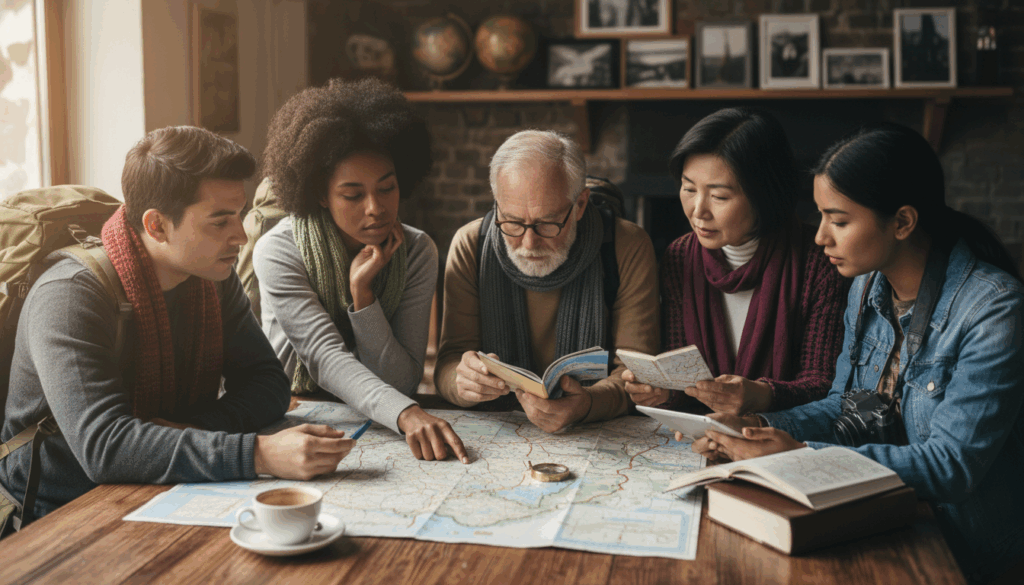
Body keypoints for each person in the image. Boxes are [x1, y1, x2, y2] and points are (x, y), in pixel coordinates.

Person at [692, 124, 1024, 584]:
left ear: (903, 222)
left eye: (840, 221)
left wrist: (803, 456)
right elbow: (844, 404)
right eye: (821, 217)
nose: (820, 238)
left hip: (966, 550)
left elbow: (952, 466)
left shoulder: (993, 309)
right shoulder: (865, 286)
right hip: (884, 520)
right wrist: (759, 429)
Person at [0, 127, 354, 528]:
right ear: (157, 226)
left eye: (239, 215)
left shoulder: (211, 278)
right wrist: (259, 453)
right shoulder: (69, 295)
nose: (240, 236)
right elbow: (105, 448)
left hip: (161, 489)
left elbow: (268, 383)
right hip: (57, 513)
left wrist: (195, 430)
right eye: (220, 222)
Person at [253, 78, 468, 463]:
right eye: (353, 195)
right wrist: (405, 412)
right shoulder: (278, 251)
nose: (376, 208)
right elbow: (323, 357)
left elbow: (402, 381)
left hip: (379, 418)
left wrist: (364, 298)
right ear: (320, 194)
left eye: (387, 188)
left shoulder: (418, 251)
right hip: (294, 411)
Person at [624, 108, 849, 415]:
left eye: (719, 197)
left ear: (763, 196)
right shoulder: (680, 256)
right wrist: (663, 393)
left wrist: (762, 395)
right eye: (689, 189)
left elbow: (824, 386)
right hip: (699, 438)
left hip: (783, 442)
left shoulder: (818, 262)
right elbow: (685, 385)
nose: (697, 210)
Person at [434, 130, 659, 432]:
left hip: (598, 431)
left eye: (547, 224)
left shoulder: (626, 245)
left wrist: (588, 403)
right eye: (512, 222)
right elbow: (449, 362)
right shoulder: (471, 245)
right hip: (499, 430)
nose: (528, 244)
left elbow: (636, 373)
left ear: (580, 205)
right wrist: (462, 382)